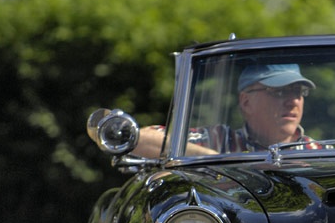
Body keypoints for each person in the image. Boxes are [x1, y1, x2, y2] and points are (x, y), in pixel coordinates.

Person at [133, 63, 317, 157]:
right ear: (246, 102)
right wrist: (214, 159)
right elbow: (139, 139)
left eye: (298, 92)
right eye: (279, 92)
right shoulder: (220, 140)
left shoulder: (317, 152)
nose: (293, 101)